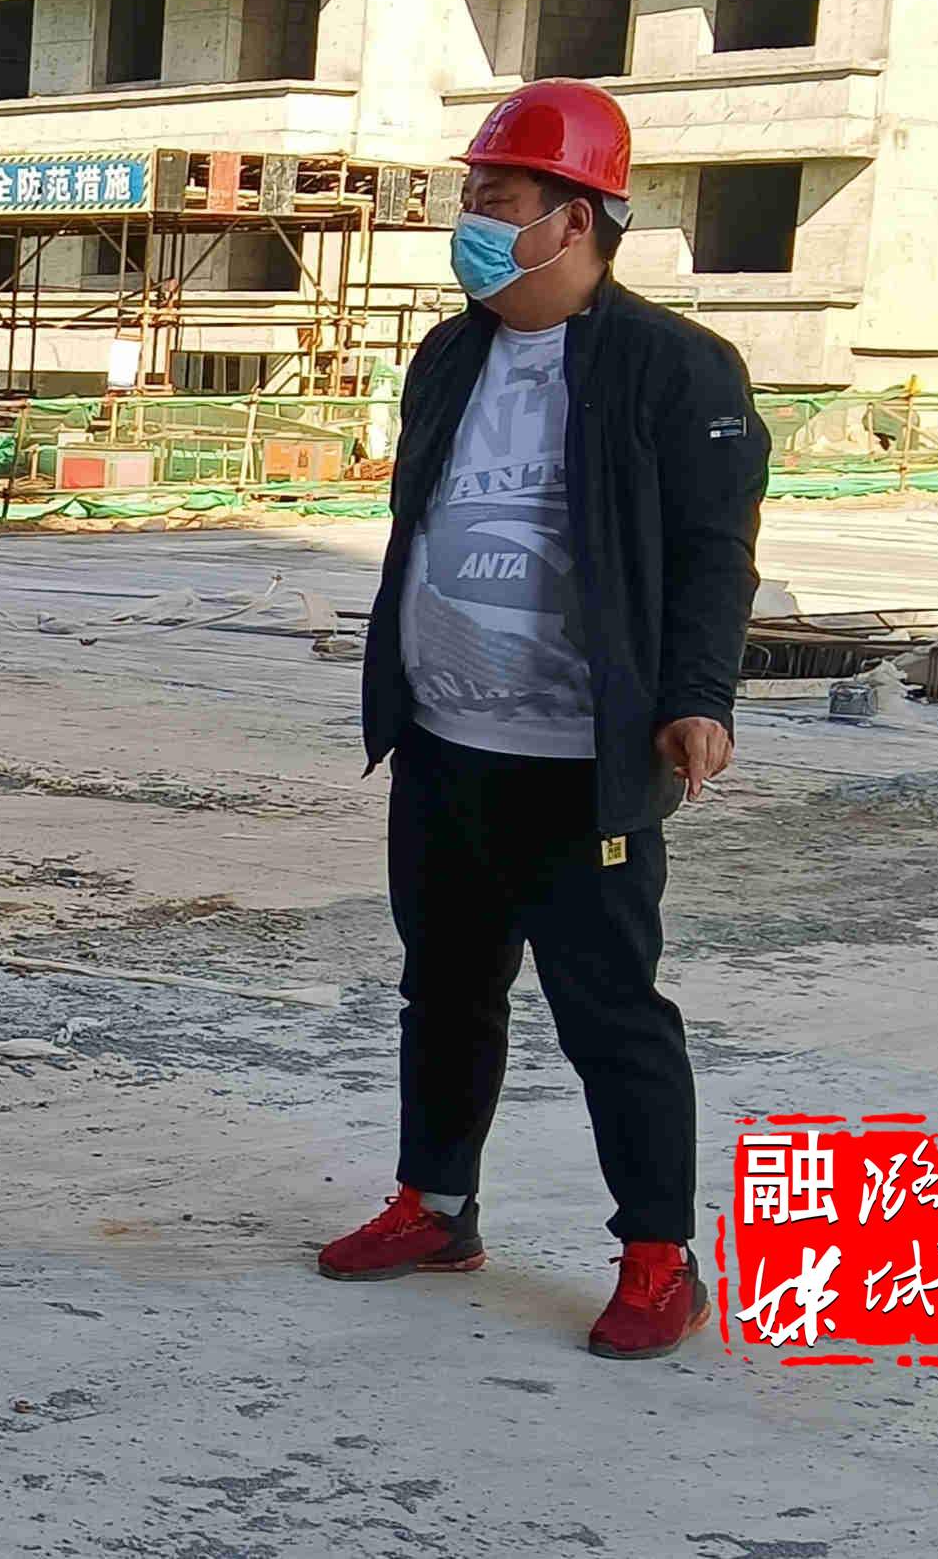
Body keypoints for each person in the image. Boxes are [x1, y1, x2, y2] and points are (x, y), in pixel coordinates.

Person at [321, 78, 769, 1362]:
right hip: (445, 746)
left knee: (608, 1011)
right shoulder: (450, 351)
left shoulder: (674, 365)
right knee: (443, 991)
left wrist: (696, 696)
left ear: (574, 218)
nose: (470, 220)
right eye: (470, 194)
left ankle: (657, 1255)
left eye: (496, 198)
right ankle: (435, 1205)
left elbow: (713, 551)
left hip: (581, 762)